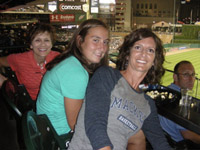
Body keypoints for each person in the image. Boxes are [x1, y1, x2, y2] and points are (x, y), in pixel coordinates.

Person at [68, 28, 172, 150]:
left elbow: (159, 141)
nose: (144, 54)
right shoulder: (107, 76)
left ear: (154, 60)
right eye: (138, 48)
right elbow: (95, 121)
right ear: (128, 54)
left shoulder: (148, 104)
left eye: (150, 50)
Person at [36, 19, 109, 141]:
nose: (102, 47)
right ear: (80, 41)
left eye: (105, 42)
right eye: (95, 40)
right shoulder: (75, 72)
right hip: (60, 138)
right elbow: (75, 124)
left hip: (48, 131)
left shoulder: (71, 61)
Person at [0, 23, 60, 100]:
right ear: (31, 45)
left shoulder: (58, 58)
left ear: (51, 44)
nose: (43, 44)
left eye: (46, 40)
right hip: (32, 104)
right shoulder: (20, 59)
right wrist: (3, 80)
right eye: (38, 40)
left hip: (56, 100)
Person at [159, 61, 200, 145]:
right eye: (186, 74)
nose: (191, 79)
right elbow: (188, 135)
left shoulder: (166, 91)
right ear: (175, 77)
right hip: (178, 145)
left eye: (193, 75)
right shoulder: (182, 100)